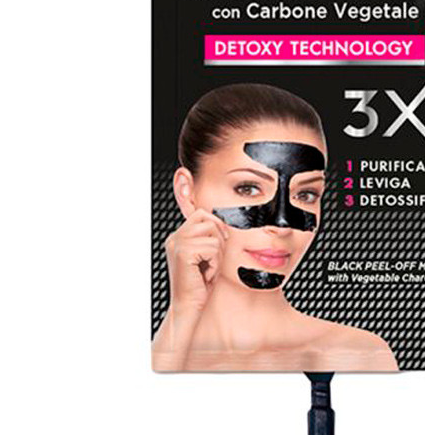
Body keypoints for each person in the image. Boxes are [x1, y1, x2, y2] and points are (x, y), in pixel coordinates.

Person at [152, 83, 398, 371]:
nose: (282, 224)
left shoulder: (356, 355)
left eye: (306, 194)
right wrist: (182, 310)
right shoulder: (145, 361)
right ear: (187, 192)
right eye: (248, 188)